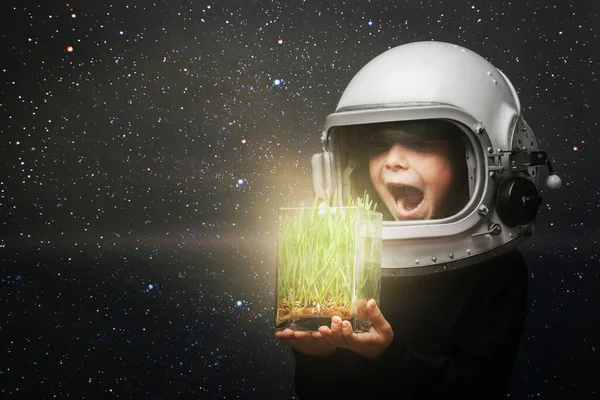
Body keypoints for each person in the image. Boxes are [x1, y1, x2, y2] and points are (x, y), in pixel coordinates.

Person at [275, 41, 560, 399]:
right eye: (380, 145)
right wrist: (316, 357)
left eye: (421, 144)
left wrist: (387, 355)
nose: (393, 160)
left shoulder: (498, 270)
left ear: (471, 165)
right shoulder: (343, 260)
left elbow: (478, 390)